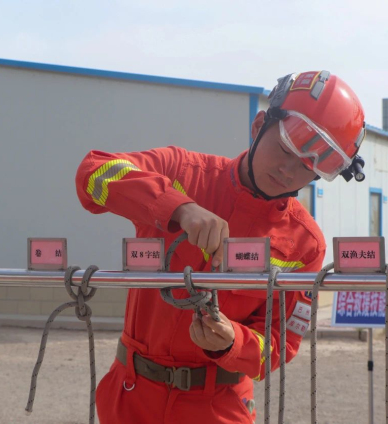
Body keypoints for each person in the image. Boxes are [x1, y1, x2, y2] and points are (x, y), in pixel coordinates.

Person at [75, 71, 366, 424]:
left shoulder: (304, 244)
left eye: (307, 167)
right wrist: (179, 208)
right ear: (258, 126)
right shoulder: (181, 172)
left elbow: (279, 344)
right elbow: (93, 172)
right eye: (285, 149)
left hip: (218, 408)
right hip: (131, 398)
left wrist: (232, 343)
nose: (288, 171)